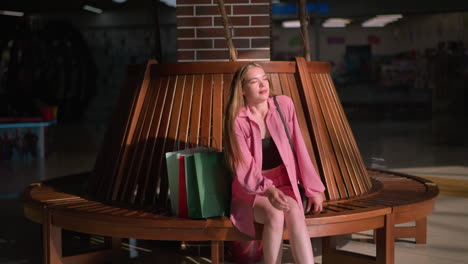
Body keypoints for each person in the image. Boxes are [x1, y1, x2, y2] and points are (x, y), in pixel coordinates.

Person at [223, 63, 326, 264]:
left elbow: (299, 148)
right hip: (252, 189)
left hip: (284, 182)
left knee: (295, 212)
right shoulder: (237, 120)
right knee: (275, 214)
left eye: (264, 79)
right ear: (242, 90)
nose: (263, 84)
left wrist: (312, 189)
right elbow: (244, 168)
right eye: (254, 81)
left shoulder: (283, 105)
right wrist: (268, 190)